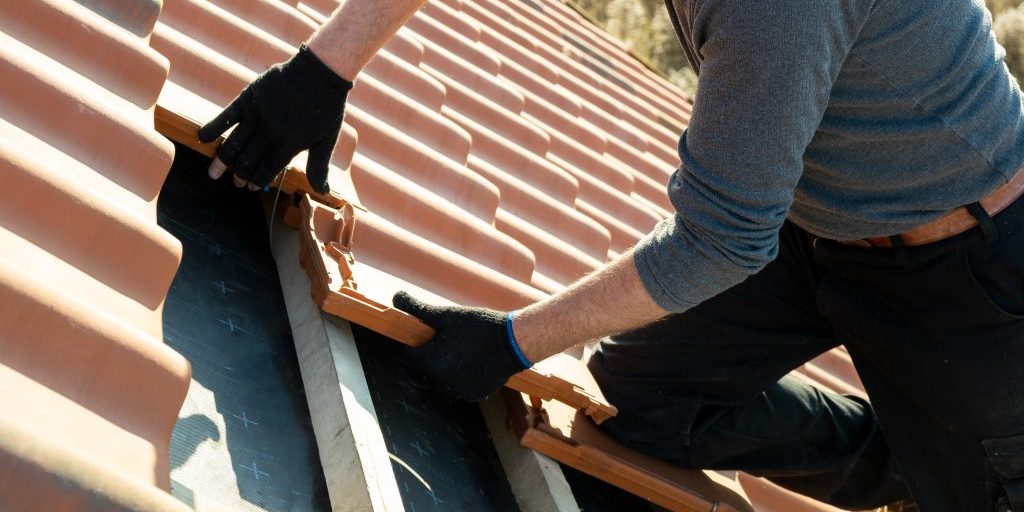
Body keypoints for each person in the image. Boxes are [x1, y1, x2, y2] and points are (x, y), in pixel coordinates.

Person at [198, 0, 1024, 510]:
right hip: (819, 218)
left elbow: (721, 238)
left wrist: (510, 341)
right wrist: (324, 69)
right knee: (638, 402)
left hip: (969, 270)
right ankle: (904, 460)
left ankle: (951, 463)